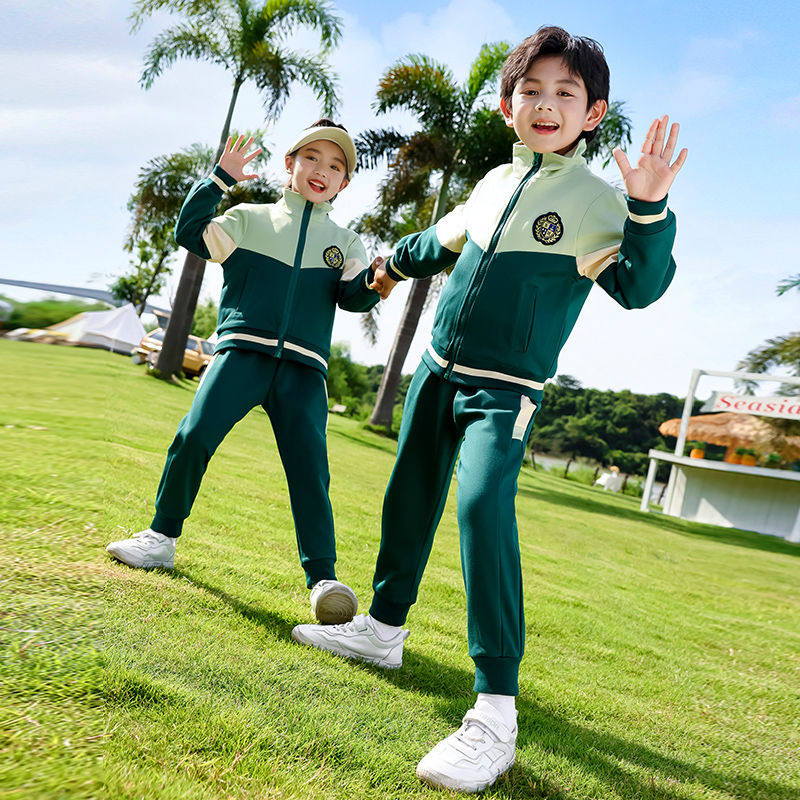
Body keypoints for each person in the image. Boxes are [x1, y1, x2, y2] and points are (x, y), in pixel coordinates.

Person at [291, 27, 687, 792]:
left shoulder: (602, 205)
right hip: (435, 372)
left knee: (480, 508)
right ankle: (382, 630)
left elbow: (640, 287)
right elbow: (429, 247)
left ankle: (495, 714)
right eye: (530, 91)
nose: (545, 104)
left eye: (565, 93)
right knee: (409, 498)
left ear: (593, 112)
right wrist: (378, 268)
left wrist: (649, 208)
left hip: (504, 393)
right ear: (508, 106)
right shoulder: (491, 185)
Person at [106, 121, 381, 625]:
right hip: (240, 356)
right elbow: (190, 232)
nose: (322, 170)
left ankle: (323, 580)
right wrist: (218, 180)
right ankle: (161, 538)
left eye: (336, 165)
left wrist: (380, 279)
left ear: (344, 183)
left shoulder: (347, 242)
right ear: (290, 164)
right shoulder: (248, 219)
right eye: (312, 158)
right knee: (193, 437)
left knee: (310, 475)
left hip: (304, 373)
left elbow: (353, 297)